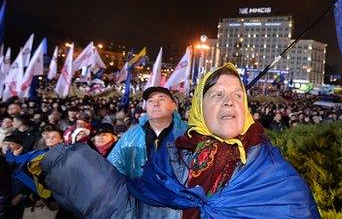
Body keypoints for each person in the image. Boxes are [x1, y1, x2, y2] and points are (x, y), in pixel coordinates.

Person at [38, 64, 319, 218]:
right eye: (217, 95)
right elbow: (131, 210)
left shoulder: (275, 173)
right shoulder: (173, 157)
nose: (229, 102)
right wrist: (69, 164)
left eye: (237, 95)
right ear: (199, 107)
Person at [108, 86, 188, 179]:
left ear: (173, 105)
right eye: (150, 101)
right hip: (138, 192)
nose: (156, 104)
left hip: (178, 192)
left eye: (161, 99)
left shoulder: (187, 134)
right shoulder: (130, 136)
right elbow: (113, 169)